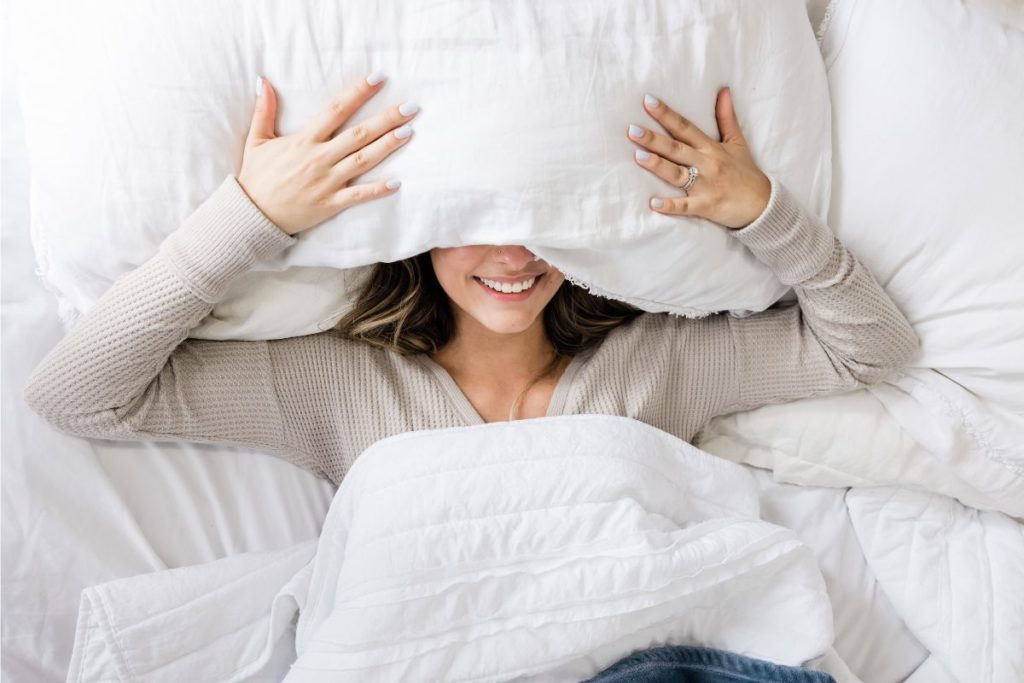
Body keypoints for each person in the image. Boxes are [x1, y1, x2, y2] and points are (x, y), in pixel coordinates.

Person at [22, 71, 919, 488]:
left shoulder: (659, 362)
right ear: (422, 234)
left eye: (542, 228)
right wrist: (249, 217)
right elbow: (77, 395)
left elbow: (872, 352)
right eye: (478, 226)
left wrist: (764, 213)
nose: (515, 257)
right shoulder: (334, 384)